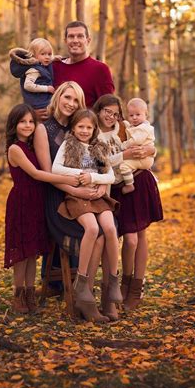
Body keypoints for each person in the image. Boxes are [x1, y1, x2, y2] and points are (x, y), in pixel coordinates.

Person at [33, 82, 109, 323]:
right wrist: (76, 189)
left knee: (105, 231)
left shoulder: (82, 126)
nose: (71, 103)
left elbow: (101, 164)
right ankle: (85, 296)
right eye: (67, 97)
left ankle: (86, 295)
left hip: (87, 196)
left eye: (76, 100)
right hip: (58, 198)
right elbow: (48, 173)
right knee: (94, 232)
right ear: (58, 97)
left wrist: (101, 185)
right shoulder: (43, 129)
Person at [4, 103, 79, 314]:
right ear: (14, 125)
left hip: (37, 200)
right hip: (22, 202)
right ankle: (18, 296)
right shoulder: (15, 149)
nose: (28, 125)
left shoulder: (30, 146)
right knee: (21, 252)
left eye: (31, 121)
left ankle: (30, 295)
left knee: (32, 252)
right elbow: (36, 174)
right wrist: (66, 179)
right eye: (22, 122)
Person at [93, 94, 163, 313]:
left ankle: (135, 288)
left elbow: (146, 140)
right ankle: (124, 282)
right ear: (98, 111)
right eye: (107, 111)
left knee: (139, 236)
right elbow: (101, 161)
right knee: (129, 238)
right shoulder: (92, 132)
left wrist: (151, 150)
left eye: (115, 113)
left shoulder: (124, 126)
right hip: (116, 187)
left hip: (139, 181)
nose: (111, 116)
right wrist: (126, 154)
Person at [51, 109, 123, 318]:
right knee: (92, 228)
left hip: (97, 197)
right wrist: (80, 174)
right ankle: (81, 282)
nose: (84, 131)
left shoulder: (96, 149)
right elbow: (56, 169)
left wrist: (93, 179)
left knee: (110, 228)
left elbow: (109, 175)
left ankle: (113, 281)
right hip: (78, 198)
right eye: (80, 126)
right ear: (73, 128)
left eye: (88, 127)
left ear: (94, 130)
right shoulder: (68, 145)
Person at [52, 21, 115, 107]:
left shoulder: (100, 70)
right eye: (71, 36)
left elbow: (108, 107)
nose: (75, 40)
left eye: (80, 36)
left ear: (88, 40)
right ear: (65, 41)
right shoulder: (55, 66)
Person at [9, 38, 55, 114]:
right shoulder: (34, 70)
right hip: (38, 104)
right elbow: (28, 85)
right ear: (33, 55)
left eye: (49, 54)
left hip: (43, 102)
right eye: (43, 54)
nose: (47, 57)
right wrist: (47, 88)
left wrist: (55, 58)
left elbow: (48, 60)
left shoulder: (41, 66)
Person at [119, 98, 155, 194]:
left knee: (124, 166)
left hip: (144, 158)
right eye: (131, 115)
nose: (134, 117)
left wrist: (124, 145)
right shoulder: (135, 126)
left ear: (146, 114)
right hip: (143, 157)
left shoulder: (143, 128)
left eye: (138, 114)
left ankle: (129, 185)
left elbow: (136, 140)